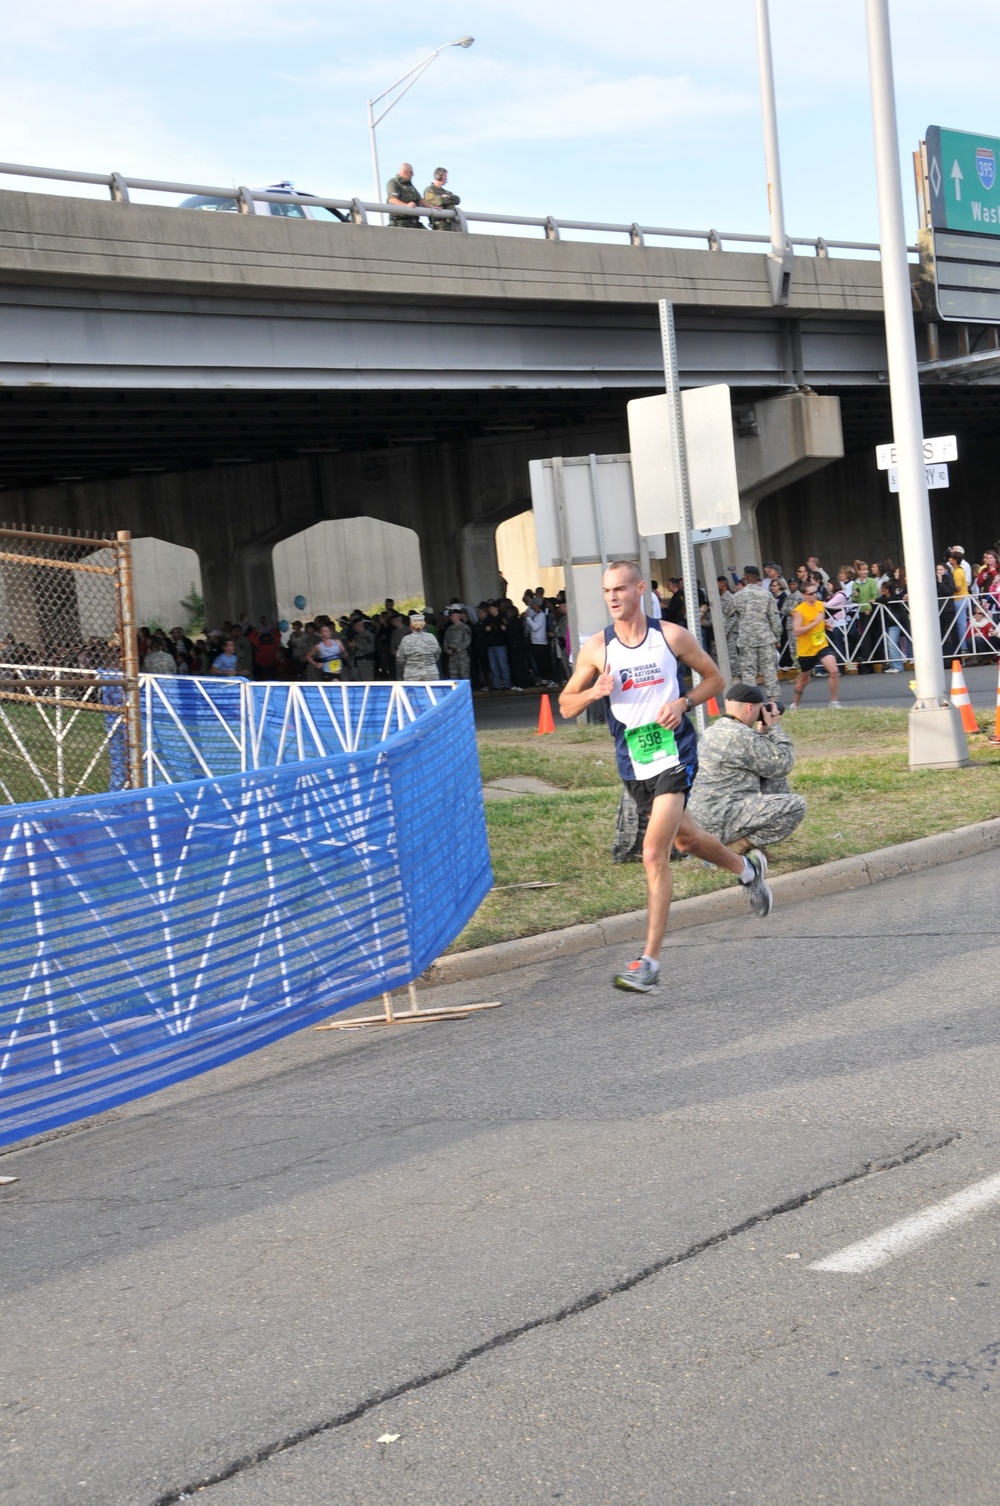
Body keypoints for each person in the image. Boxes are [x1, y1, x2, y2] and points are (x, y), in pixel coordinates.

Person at [559, 560, 773, 996]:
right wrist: (592, 693)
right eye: (607, 591)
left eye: (621, 588)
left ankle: (649, 963)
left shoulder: (670, 636)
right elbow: (564, 705)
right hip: (633, 761)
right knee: (686, 840)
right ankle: (747, 870)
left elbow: (715, 679)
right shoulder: (597, 648)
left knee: (654, 853)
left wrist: (682, 703)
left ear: (641, 589)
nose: (613, 597)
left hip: (675, 755)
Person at [686, 683, 806, 853]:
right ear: (750, 708)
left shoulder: (715, 730)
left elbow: (765, 765)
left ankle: (738, 847)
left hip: (704, 817)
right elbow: (784, 763)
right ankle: (733, 850)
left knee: (775, 780)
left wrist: (762, 733)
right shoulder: (740, 735)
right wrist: (774, 727)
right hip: (721, 819)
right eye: (760, 708)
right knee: (796, 806)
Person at [730, 565, 782, 700]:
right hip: (765, 637)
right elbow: (774, 618)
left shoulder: (739, 595)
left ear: (746, 577)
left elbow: (728, 612)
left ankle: (752, 700)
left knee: (748, 672)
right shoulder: (767, 594)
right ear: (758, 577)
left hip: (747, 639)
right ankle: (774, 699)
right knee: (769, 669)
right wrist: (777, 636)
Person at [790, 581, 841, 708]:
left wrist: (825, 624)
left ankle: (834, 702)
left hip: (821, 645)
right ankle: (795, 704)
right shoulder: (799, 611)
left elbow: (819, 620)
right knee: (804, 680)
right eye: (811, 593)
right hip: (806, 650)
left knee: (834, 670)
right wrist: (815, 623)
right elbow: (797, 631)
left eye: (816, 592)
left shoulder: (819, 604)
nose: (815, 595)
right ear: (804, 596)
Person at [395, 610, 441, 680]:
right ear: (424, 624)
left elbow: (400, 658)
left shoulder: (406, 640)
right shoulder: (431, 637)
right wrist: (429, 663)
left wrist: (410, 666)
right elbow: (438, 653)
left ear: (410, 625)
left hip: (412, 674)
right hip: (431, 673)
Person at [386, 163, 426, 228]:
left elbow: (420, 199)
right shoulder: (393, 183)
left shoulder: (410, 186)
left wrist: (432, 207)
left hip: (414, 221)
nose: (412, 175)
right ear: (405, 172)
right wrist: (406, 206)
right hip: (400, 221)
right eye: (411, 172)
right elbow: (392, 199)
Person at [443, 605, 472, 679]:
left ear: (457, 616)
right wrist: (447, 650)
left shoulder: (465, 627)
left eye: (452, 615)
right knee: (453, 677)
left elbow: (467, 641)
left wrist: (457, 649)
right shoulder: (449, 628)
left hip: (462, 656)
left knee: (464, 675)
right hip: (452, 656)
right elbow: (445, 640)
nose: (450, 617)